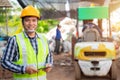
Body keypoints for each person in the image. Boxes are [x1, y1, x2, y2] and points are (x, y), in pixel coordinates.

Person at [1, 5, 53, 80]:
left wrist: (49, 64)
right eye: (27, 20)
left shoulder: (43, 39)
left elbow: (49, 56)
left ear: (37, 22)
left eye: (34, 20)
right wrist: (23, 69)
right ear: (22, 22)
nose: (31, 23)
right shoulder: (15, 40)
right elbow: (4, 62)